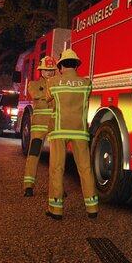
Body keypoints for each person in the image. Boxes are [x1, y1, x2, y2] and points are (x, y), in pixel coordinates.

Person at [45, 49, 98, 220]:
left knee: (57, 169)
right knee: (85, 168)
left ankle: (56, 209)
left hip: (59, 130)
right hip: (80, 131)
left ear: (60, 66)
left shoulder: (53, 82)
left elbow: (47, 99)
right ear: (76, 65)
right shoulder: (86, 83)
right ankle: (92, 208)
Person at [23, 56, 58, 197]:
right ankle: (28, 186)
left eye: (51, 70)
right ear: (41, 71)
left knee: (57, 158)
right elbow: (36, 94)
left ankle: (58, 187)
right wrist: (51, 93)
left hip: (54, 125)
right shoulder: (33, 84)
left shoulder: (57, 83)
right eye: (46, 70)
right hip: (39, 127)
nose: (49, 73)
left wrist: (47, 93)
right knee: (33, 155)